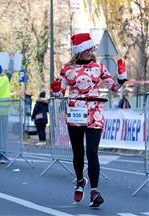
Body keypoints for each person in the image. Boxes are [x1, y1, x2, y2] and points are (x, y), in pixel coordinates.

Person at [51, 33, 127, 207]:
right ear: (78, 51)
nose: (88, 51)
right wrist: (56, 89)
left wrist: (121, 77)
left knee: (92, 152)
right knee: (78, 153)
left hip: (94, 113)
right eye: (85, 49)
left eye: (90, 48)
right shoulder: (67, 69)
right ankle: (80, 181)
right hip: (75, 114)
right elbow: (59, 94)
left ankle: (94, 191)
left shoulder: (98, 67)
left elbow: (114, 87)